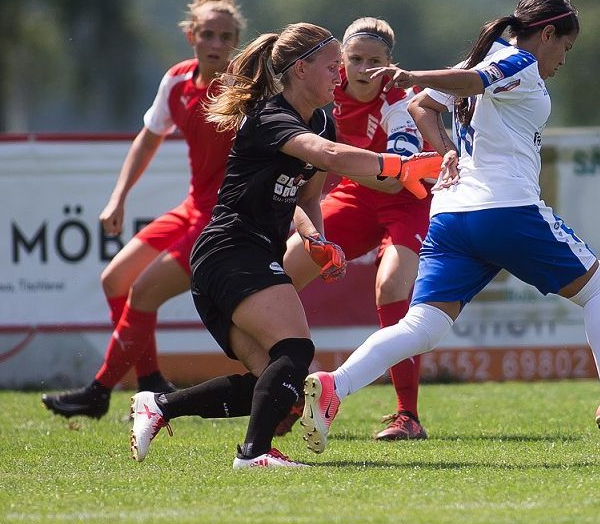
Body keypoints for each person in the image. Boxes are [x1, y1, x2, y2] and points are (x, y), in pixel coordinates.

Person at [300, 0, 600, 458]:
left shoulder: (482, 56)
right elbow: (469, 83)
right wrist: (411, 77)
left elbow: (422, 107)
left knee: (424, 326)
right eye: (564, 48)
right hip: (506, 209)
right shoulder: (518, 62)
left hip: (451, 215)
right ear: (547, 34)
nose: (561, 60)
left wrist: (446, 149)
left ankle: (335, 386)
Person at [126, 23, 444, 469]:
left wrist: (318, 239)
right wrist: (399, 166)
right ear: (300, 70)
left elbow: (308, 196)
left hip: (240, 256)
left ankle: (159, 406)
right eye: (334, 65)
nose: (341, 75)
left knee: (276, 384)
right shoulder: (273, 117)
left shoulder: (321, 118)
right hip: (231, 251)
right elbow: (331, 157)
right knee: (295, 352)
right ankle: (253, 454)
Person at [42, 0, 245, 419]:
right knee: (114, 280)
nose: (215, 43)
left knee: (142, 292)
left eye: (225, 37)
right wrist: (118, 198)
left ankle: (98, 391)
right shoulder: (176, 80)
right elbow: (148, 140)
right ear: (190, 34)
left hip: (222, 220)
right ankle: (151, 379)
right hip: (193, 208)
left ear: (236, 42)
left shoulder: (242, 90)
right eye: (207, 34)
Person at [281, 17, 431, 441]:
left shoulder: (400, 99)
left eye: (376, 61)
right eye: (355, 59)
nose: (365, 69)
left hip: (406, 199)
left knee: (391, 287)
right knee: (280, 277)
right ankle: (288, 389)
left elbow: (397, 175)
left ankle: (408, 416)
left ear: (390, 64)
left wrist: (332, 160)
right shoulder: (327, 89)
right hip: (356, 195)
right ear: (341, 61)